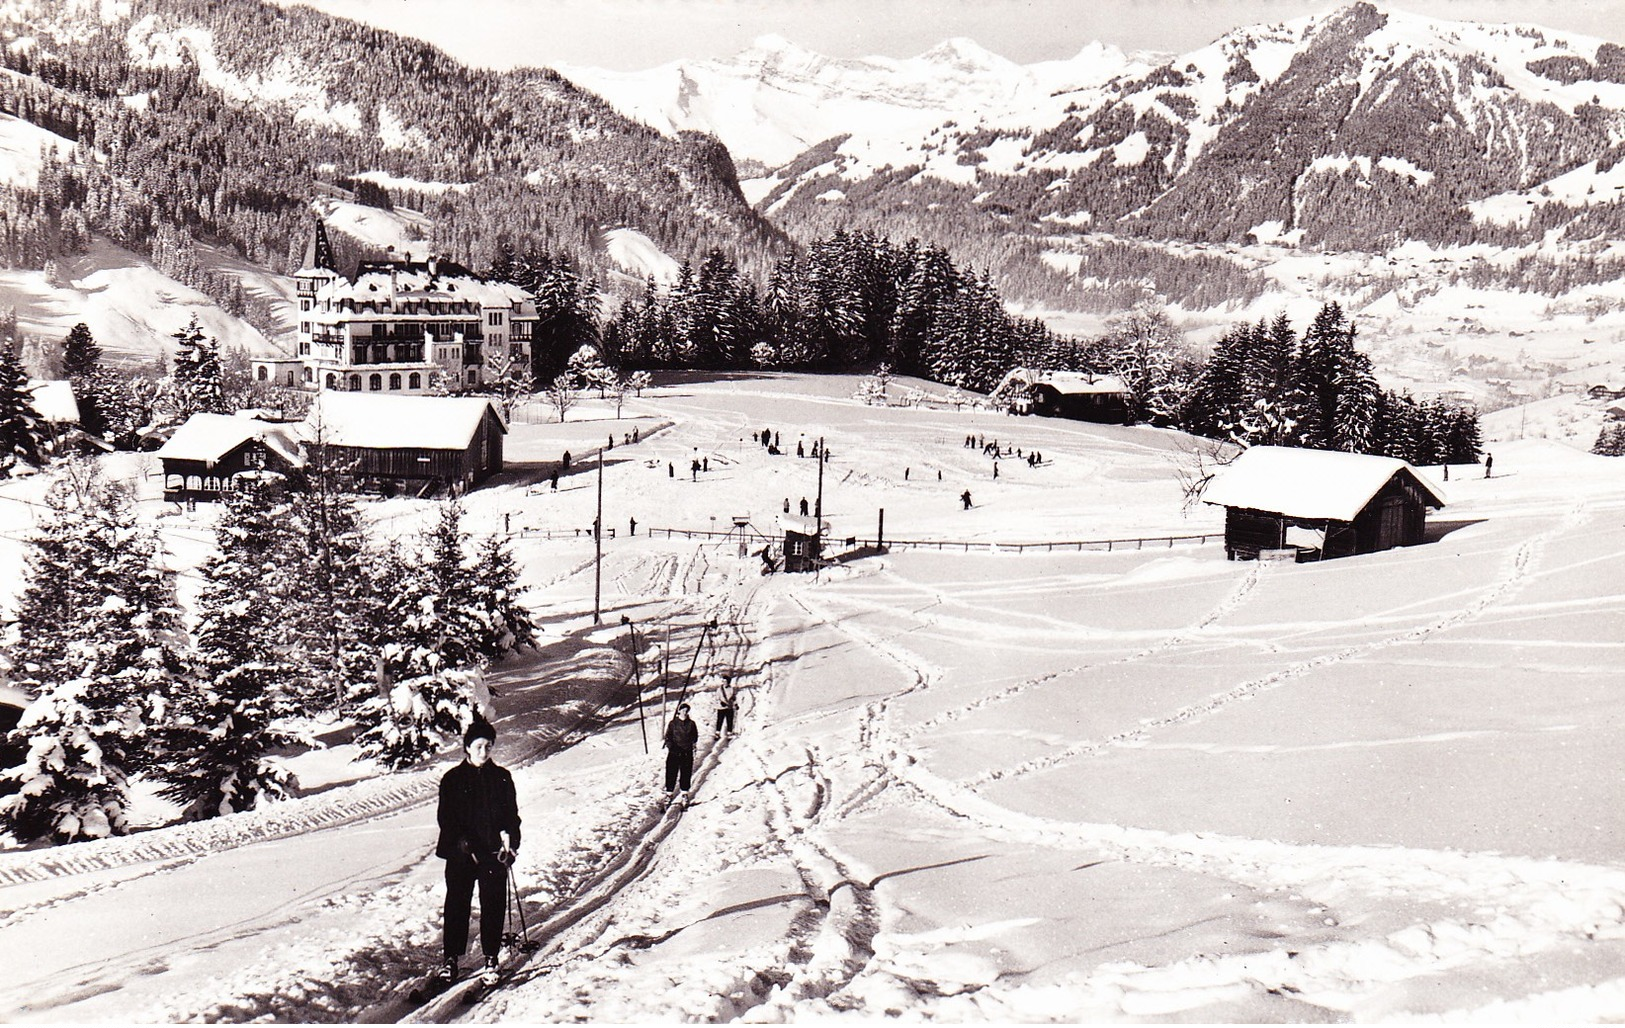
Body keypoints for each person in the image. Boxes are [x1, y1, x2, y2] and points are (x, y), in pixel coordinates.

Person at [435, 720, 521, 988]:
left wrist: (512, 845)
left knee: (493, 905)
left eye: (489, 746)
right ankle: (451, 959)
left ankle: (491, 957)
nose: (484, 752)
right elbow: (445, 819)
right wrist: (461, 844)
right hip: (461, 855)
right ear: (467, 748)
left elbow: (511, 817)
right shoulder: (452, 779)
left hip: (492, 854)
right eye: (479, 746)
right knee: (457, 906)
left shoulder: (502, 777)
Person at [663, 703, 699, 795]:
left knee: (686, 773)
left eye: (686, 711)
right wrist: (671, 747)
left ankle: (684, 793)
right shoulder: (673, 723)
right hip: (674, 752)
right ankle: (669, 793)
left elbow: (694, 736)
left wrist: (691, 746)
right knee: (671, 773)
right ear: (679, 711)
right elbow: (668, 737)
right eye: (683, 710)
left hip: (686, 752)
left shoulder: (691, 724)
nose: (684, 712)